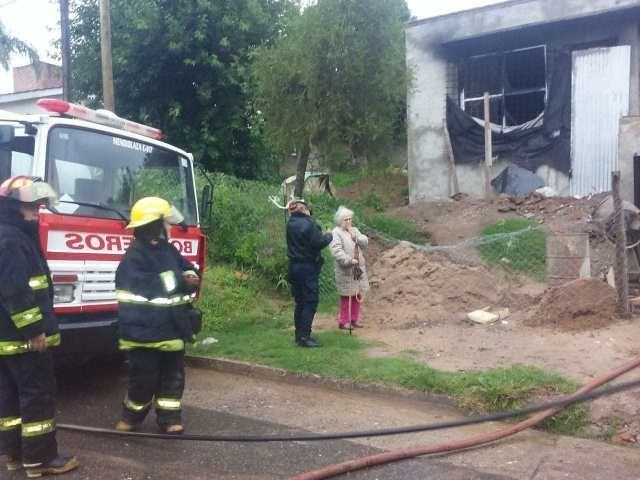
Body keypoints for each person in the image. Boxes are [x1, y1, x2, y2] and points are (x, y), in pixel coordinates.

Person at [0, 176, 79, 477]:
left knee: (9, 400)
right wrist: (34, 330)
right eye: (32, 207)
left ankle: (15, 455)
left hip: (8, 340)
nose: (37, 212)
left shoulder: (11, 234)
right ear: (13, 207)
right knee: (37, 397)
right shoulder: (11, 239)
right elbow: (16, 291)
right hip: (24, 340)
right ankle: (41, 460)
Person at [115, 197, 201, 434]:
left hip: (172, 330)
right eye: (165, 222)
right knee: (143, 381)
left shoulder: (167, 249)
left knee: (173, 380)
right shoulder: (134, 256)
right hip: (143, 333)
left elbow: (186, 267)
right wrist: (180, 280)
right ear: (154, 225)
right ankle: (131, 418)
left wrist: (191, 275)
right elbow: (149, 286)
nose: (169, 227)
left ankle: (169, 419)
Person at [286, 198, 332, 347]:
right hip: (307, 267)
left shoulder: (290, 223)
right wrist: (329, 236)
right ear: (304, 209)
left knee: (300, 302)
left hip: (294, 267)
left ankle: (299, 335)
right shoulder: (308, 224)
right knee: (310, 301)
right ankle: (305, 337)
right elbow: (319, 243)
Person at [330, 206, 369, 330]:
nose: (348, 222)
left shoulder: (354, 230)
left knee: (357, 294)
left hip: (358, 268)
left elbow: (365, 241)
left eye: (350, 219)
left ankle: (354, 319)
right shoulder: (336, 232)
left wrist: (356, 237)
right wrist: (348, 260)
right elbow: (336, 251)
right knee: (346, 296)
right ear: (340, 220)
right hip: (346, 270)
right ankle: (344, 321)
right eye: (346, 219)